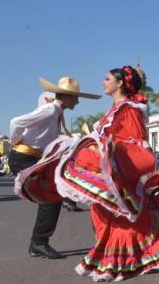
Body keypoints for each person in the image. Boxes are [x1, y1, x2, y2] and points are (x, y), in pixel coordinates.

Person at [14, 67, 159, 279]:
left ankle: (126, 258)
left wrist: (105, 152)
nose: (103, 82)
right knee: (100, 209)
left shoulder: (129, 109)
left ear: (119, 83)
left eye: (107, 78)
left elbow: (136, 143)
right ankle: (113, 255)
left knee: (115, 213)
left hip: (119, 168)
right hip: (108, 167)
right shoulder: (116, 109)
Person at [9, 82, 100, 258]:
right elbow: (16, 122)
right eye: (75, 98)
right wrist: (16, 142)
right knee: (50, 198)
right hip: (23, 156)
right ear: (66, 97)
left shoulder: (57, 113)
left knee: (53, 196)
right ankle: (38, 243)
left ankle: (38, 243)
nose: (78, 102)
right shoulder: (50, 110)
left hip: (34, 157)